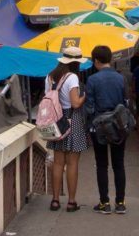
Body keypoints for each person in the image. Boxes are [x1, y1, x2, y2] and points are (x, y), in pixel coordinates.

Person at [84, 45, 128, 214]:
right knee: (119, 164)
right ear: (110, 59)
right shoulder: (121, 78)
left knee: (101, 164)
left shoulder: (92, 80)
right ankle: (121, 203)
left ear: (96, 60)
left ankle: (104, 203)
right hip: (118, 125)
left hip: (100, 126)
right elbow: (126, 101)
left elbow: (89, 107)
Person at [45, 46, 87, 212]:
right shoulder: (72, 78)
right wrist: (84, 96)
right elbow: (75, 103)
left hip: (55, 121)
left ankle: (55, 200)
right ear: (76, 62)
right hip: (72, 120)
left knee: (58, 162)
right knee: (72, 163)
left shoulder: (49, 77)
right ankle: (71, 201)